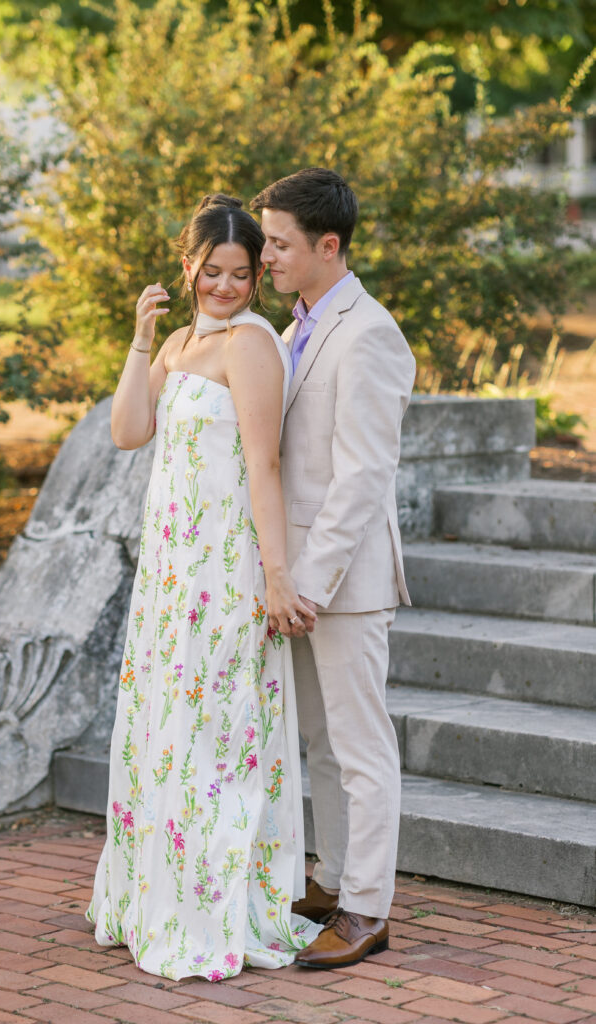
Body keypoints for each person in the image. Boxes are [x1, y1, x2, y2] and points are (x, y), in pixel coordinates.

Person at [86, 194, 320, 981]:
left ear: (256, 278)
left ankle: (211, 908)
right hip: (170, 575)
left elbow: (265, 464)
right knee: (168, 732)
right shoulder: (184, 341)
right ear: (187, 266)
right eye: (212, 270)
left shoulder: (250, 345)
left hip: (224, 573)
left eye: (241, 274)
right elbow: (127, 430)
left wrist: (277, 578)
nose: (225, 286)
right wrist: (142, 338)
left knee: (215, 740)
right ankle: (158, 895)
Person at [251, 168, 416, 969]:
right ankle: (333, 878)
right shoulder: (296, 327)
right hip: (300, 584)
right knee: (316, 742)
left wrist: (306, 583)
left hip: (342, 585)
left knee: (358, 746)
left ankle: (367, 910)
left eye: (280, 243)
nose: (266, 256)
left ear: (328, 245)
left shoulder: (369, 332)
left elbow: (360, 478)